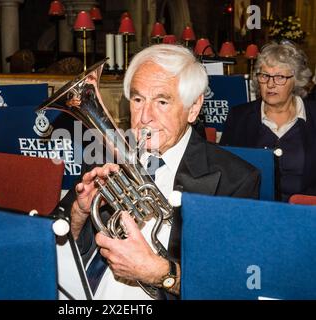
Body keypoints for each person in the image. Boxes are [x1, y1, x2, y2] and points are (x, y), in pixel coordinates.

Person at [58, 44, 261, 300]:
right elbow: (52, 244)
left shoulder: (236, 180)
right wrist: (80, 211)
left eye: (162, 101)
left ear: (194, 107)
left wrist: (160, 273)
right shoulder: (106, 158)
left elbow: (232, 286)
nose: (145, 117)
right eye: (138, 99)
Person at [220, 41, 316, 201]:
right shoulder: (239, 117)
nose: (270, 84)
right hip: (254, 212)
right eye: (265, 76)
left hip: (306, 214)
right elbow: (224, 171)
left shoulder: (313, 115)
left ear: (296, 80)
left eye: (279, 77)